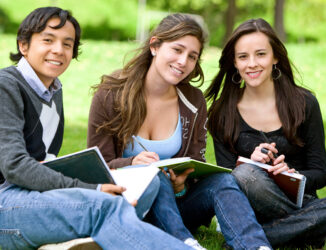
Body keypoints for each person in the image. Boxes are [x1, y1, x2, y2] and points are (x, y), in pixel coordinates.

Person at [0, 7, 197, 250]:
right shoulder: (1, 88)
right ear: (23, 45)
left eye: (67, 44)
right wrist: (92, 189)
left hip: (32, 196)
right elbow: (16, 167)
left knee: (144, 184)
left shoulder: (51, 92)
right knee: (105, 204)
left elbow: (43, 162)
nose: (58, 50)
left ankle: (80, 239)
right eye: (48, 40)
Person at [88, 13, 272, 250]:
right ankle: (184, 244)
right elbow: (95, 167)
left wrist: (182, 184)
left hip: (178, 204)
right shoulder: (110, 94)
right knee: (152, 174)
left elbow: (196, 163)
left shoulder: (193, 101)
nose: (183, 61)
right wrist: (133, 162)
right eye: (177, 50)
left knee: (223, 180)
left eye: (192, 56)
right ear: (154, 46)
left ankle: (256, 246)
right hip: (130, 203)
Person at [205, 18, 326, 249]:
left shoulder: (305, 103)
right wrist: (251, 163)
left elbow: (321, 172)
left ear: (275, 57)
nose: (252, 64)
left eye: (260, 54)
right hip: (251, 205)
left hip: (301, 201)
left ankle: (260, 235)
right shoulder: (222, 112)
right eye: (243, 57)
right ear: (234, 62)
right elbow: (225, 182)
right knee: (244, 175)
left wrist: (293, 174)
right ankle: (309, 227)